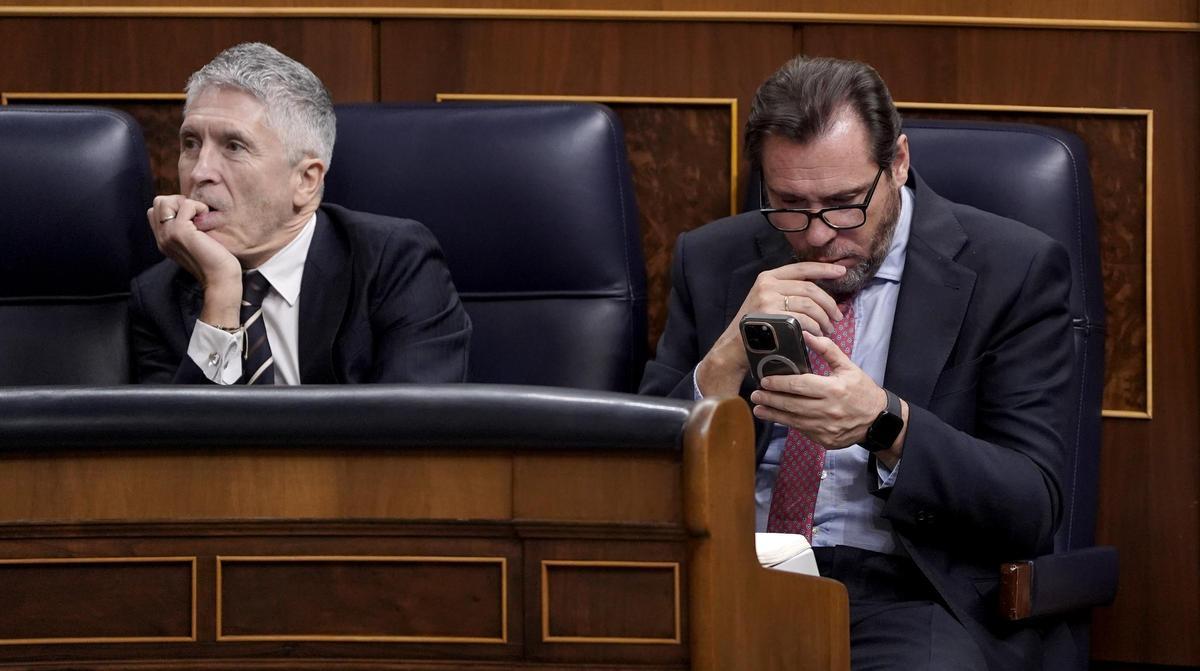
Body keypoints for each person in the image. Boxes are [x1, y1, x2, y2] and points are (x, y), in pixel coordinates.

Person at [640, 55, 1073, 669]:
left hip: (907, 593)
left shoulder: (1012, 270)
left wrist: (887, 425)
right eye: (789, 204)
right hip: (733, 572)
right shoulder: (714, 261)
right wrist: (721, 365)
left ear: (897, 163)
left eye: (845, 204)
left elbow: (1031, 504)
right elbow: (635, 474)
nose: (817, 234)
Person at [130, 42, 470, 384]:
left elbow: (416, 427)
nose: (200, 171)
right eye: (190, 143)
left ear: (306, 180)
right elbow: (179, 436)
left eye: (234, 147)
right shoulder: (159, 296)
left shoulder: (392, 263)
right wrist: (220, 291)